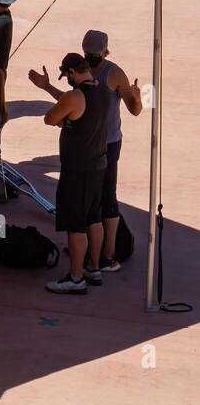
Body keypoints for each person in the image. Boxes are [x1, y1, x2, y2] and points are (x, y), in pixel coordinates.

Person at [33, 31, 142, 273]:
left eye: (95, 55)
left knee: (104, 200)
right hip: (92, 145)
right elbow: (72, 101)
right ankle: (94, 258)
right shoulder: (88, 78)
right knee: (93, 207)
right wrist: (48, 87)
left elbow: (133, 110)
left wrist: (137, 98)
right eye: (88, 55)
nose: (92, 58)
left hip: (105, 145)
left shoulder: (113, 73)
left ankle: (108, 254)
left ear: (106, 53)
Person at [30, 53, 110, 294]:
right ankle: (93, 268)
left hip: (77, 169)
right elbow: (69, 104)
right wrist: (47, 88)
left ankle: (75, 278)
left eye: (66, 76)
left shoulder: (76, 95)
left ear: (73, 72)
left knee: (75, 224)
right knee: (94, 219)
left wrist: (62, 120)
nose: (67, 80)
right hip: (98, 165)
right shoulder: (102, 89)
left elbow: (50, 117)